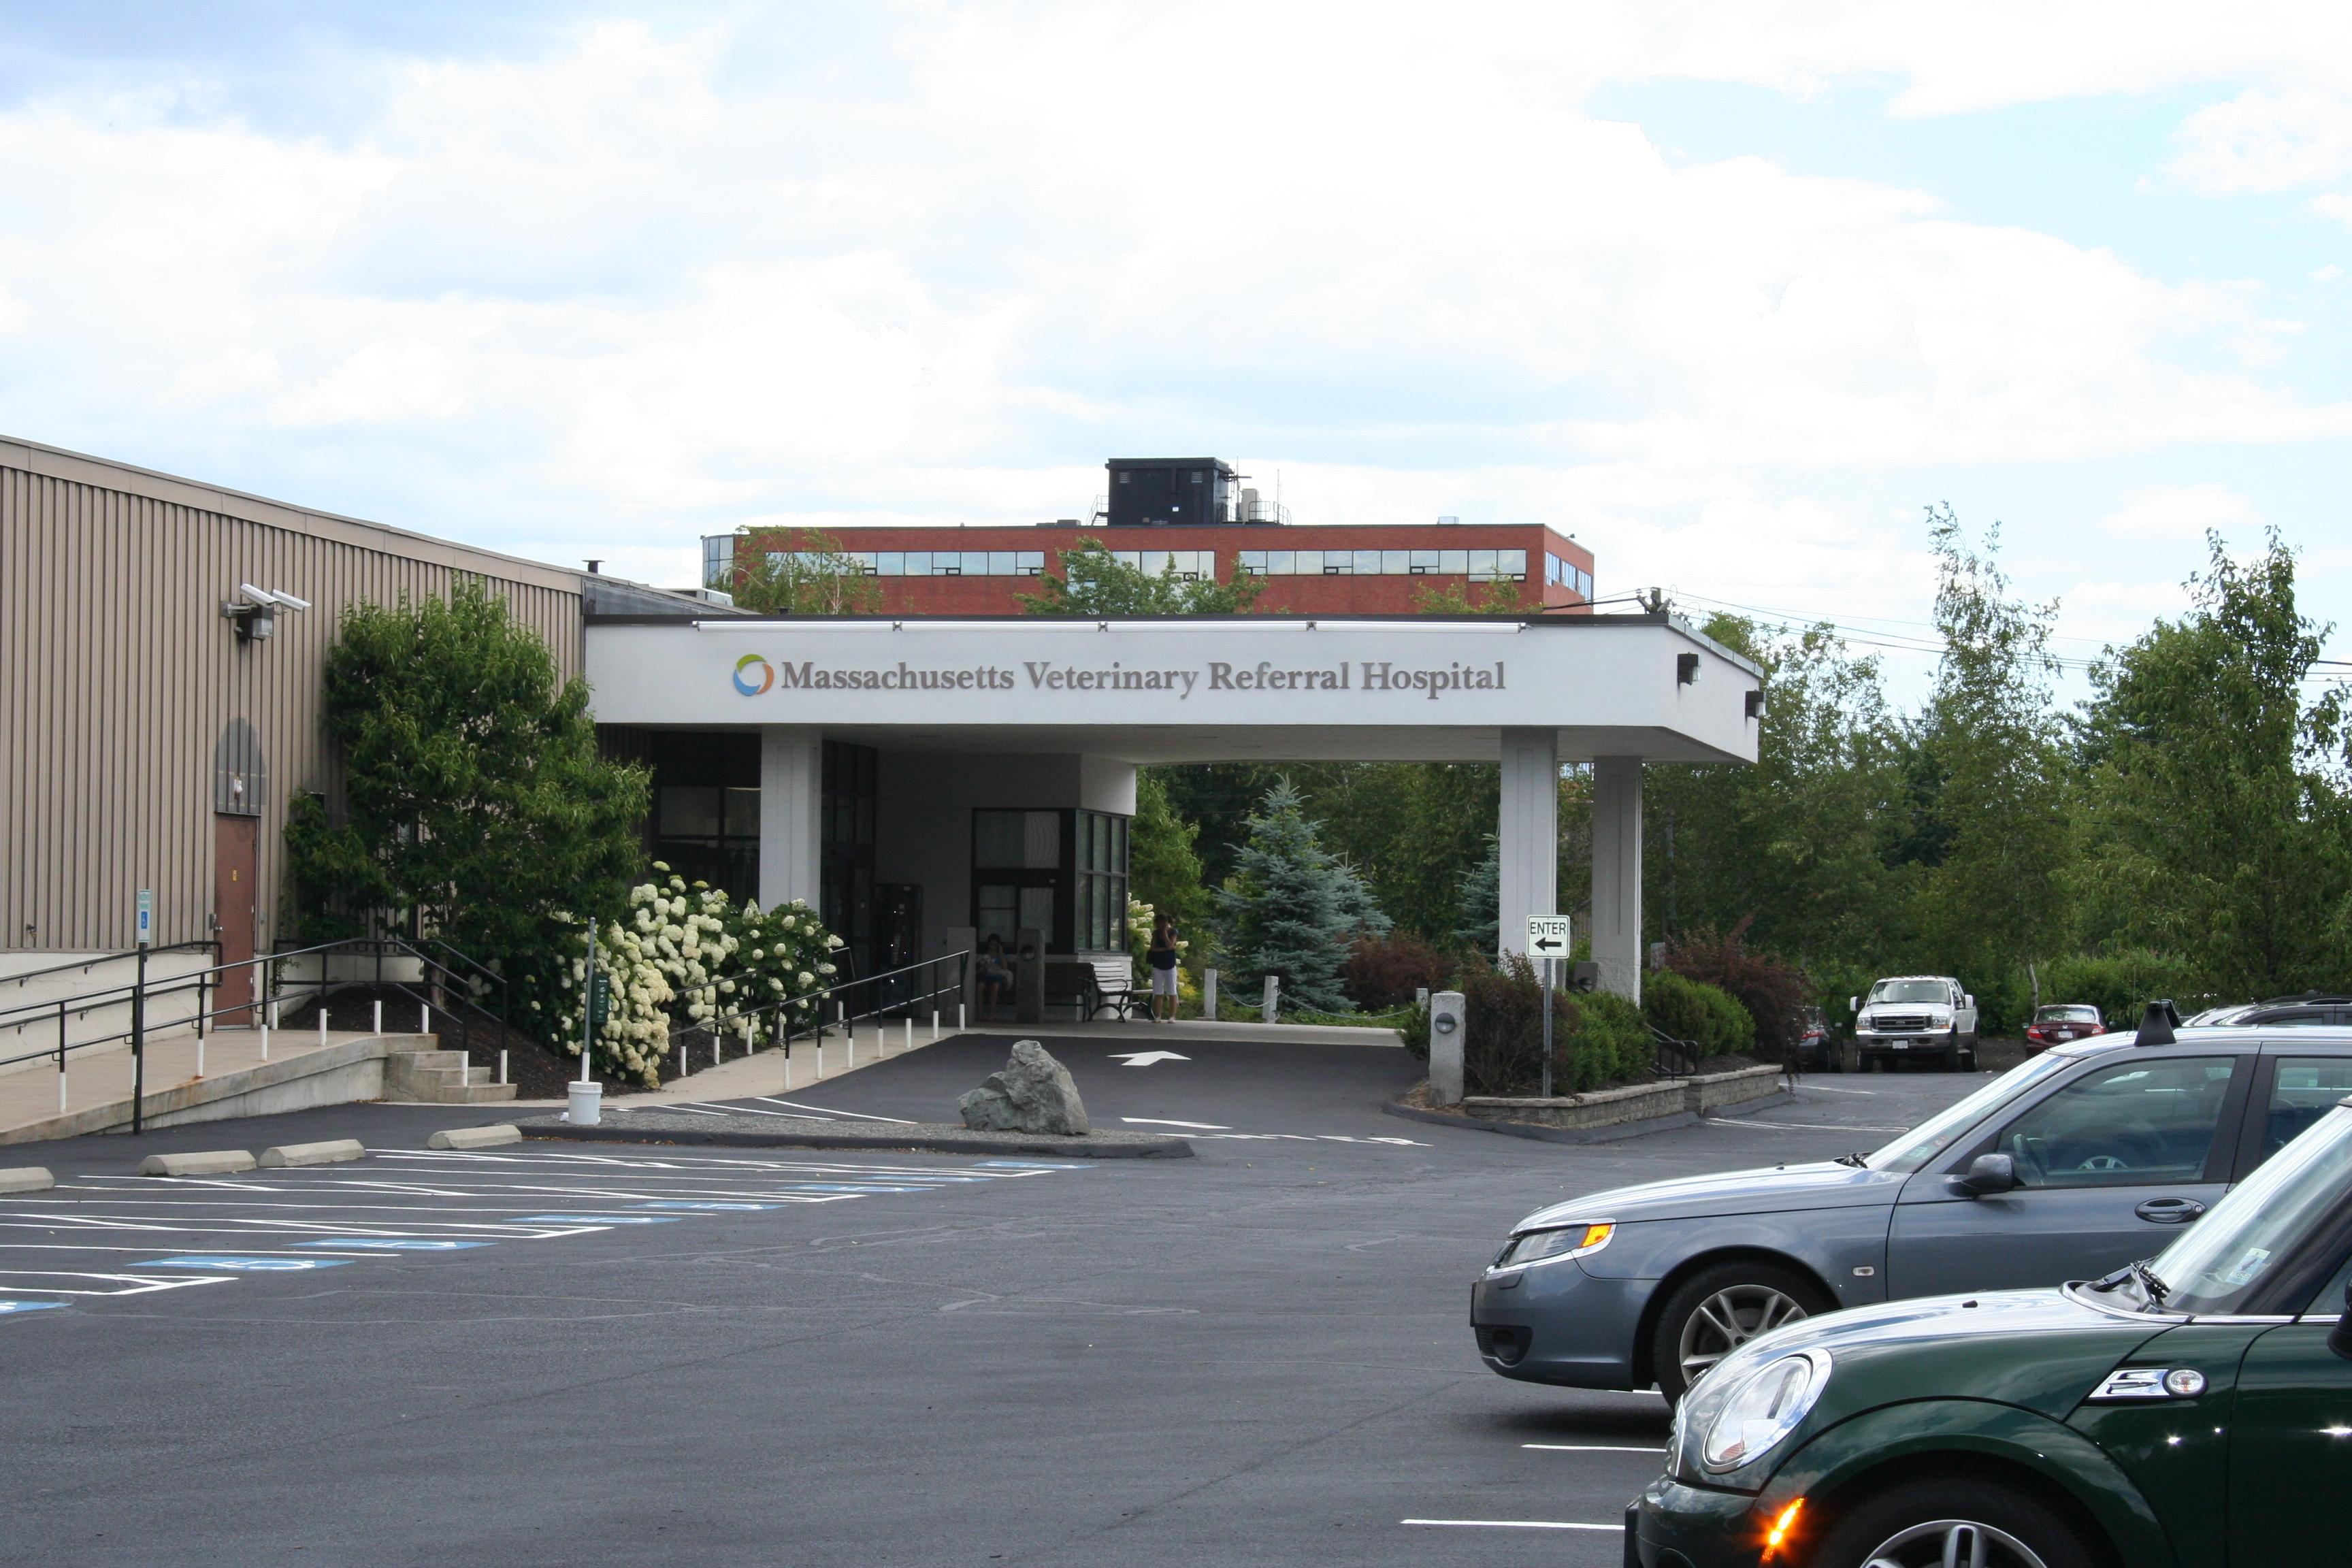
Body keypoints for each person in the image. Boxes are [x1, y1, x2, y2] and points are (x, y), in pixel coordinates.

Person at [1146, 915, 1180, 1022]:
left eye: (1163, 923)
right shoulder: (1156, 933)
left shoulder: (1173, 932)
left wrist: (1165, 933)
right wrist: (1166, 949)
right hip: (1157, 965)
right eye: (1159, 923)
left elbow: (1171, 944)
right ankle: (1158, 1016)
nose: (1161, 925)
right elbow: (1153, 948)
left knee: (1172, 990)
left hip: (1170, 965)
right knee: (1158, 991)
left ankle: (1172, 1016)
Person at [977, 935, 1013, 1022]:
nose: (993, 946)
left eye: (995, 945)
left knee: (995, 986)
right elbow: (980, 969)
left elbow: (1005, 967)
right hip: (986, 976)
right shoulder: (985, 956)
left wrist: (1000, 952)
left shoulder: (1000, 955)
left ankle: (992, 1013)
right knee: (980, 986)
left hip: (997, 978)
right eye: (991, 944)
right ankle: (980, 1013)